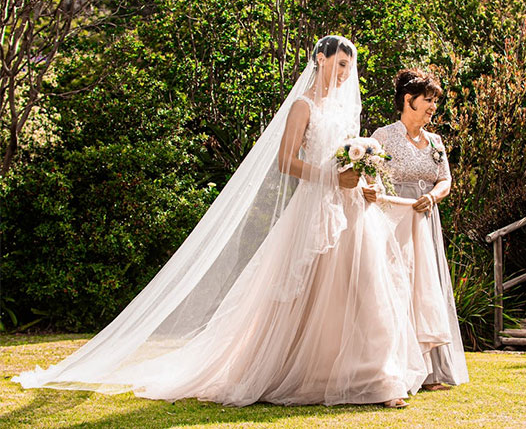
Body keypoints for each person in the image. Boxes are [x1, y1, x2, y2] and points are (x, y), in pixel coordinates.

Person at [13, 36, 449, 408]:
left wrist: (363, 178)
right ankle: (311, 371)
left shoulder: (347, 111)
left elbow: (353, 157)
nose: (344, 74)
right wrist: (329, 177)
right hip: (315, 208)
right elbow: (286, 162)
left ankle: (377, 376)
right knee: (312, 295)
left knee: (366, 288)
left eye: (348, 68)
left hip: (352, 208)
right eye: (339, 65)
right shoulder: (302, 106)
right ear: (320, 60)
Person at [364, 68, 469, 390]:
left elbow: (445, 180)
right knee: (397, 285)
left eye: (435, 101)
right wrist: (371, 191)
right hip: (393, 217)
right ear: (408, 100)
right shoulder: (383, 135)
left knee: (426, 287)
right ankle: (395, 368)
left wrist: (433, 196)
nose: (433, 107)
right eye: (428, 100)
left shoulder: (435, 141)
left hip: (424, 217)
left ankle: (432, 371)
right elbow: (368, 173)